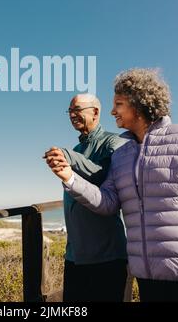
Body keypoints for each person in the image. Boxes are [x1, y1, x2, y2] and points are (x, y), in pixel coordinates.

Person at [45, 69, 178, 302]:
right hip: (146, 272)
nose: (113, 111)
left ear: (139, 102)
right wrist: (69, 178)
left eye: (119, 104)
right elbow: (109, 202)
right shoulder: (123, 154)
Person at [44, 94, 128, 302]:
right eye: (70, 111)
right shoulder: (77, 149)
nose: (72, 115)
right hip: (74, 256)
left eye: (77, 109)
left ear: (96, 112)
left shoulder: (115, 142)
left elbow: (103, 176)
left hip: (107, 257)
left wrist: (69, 158)